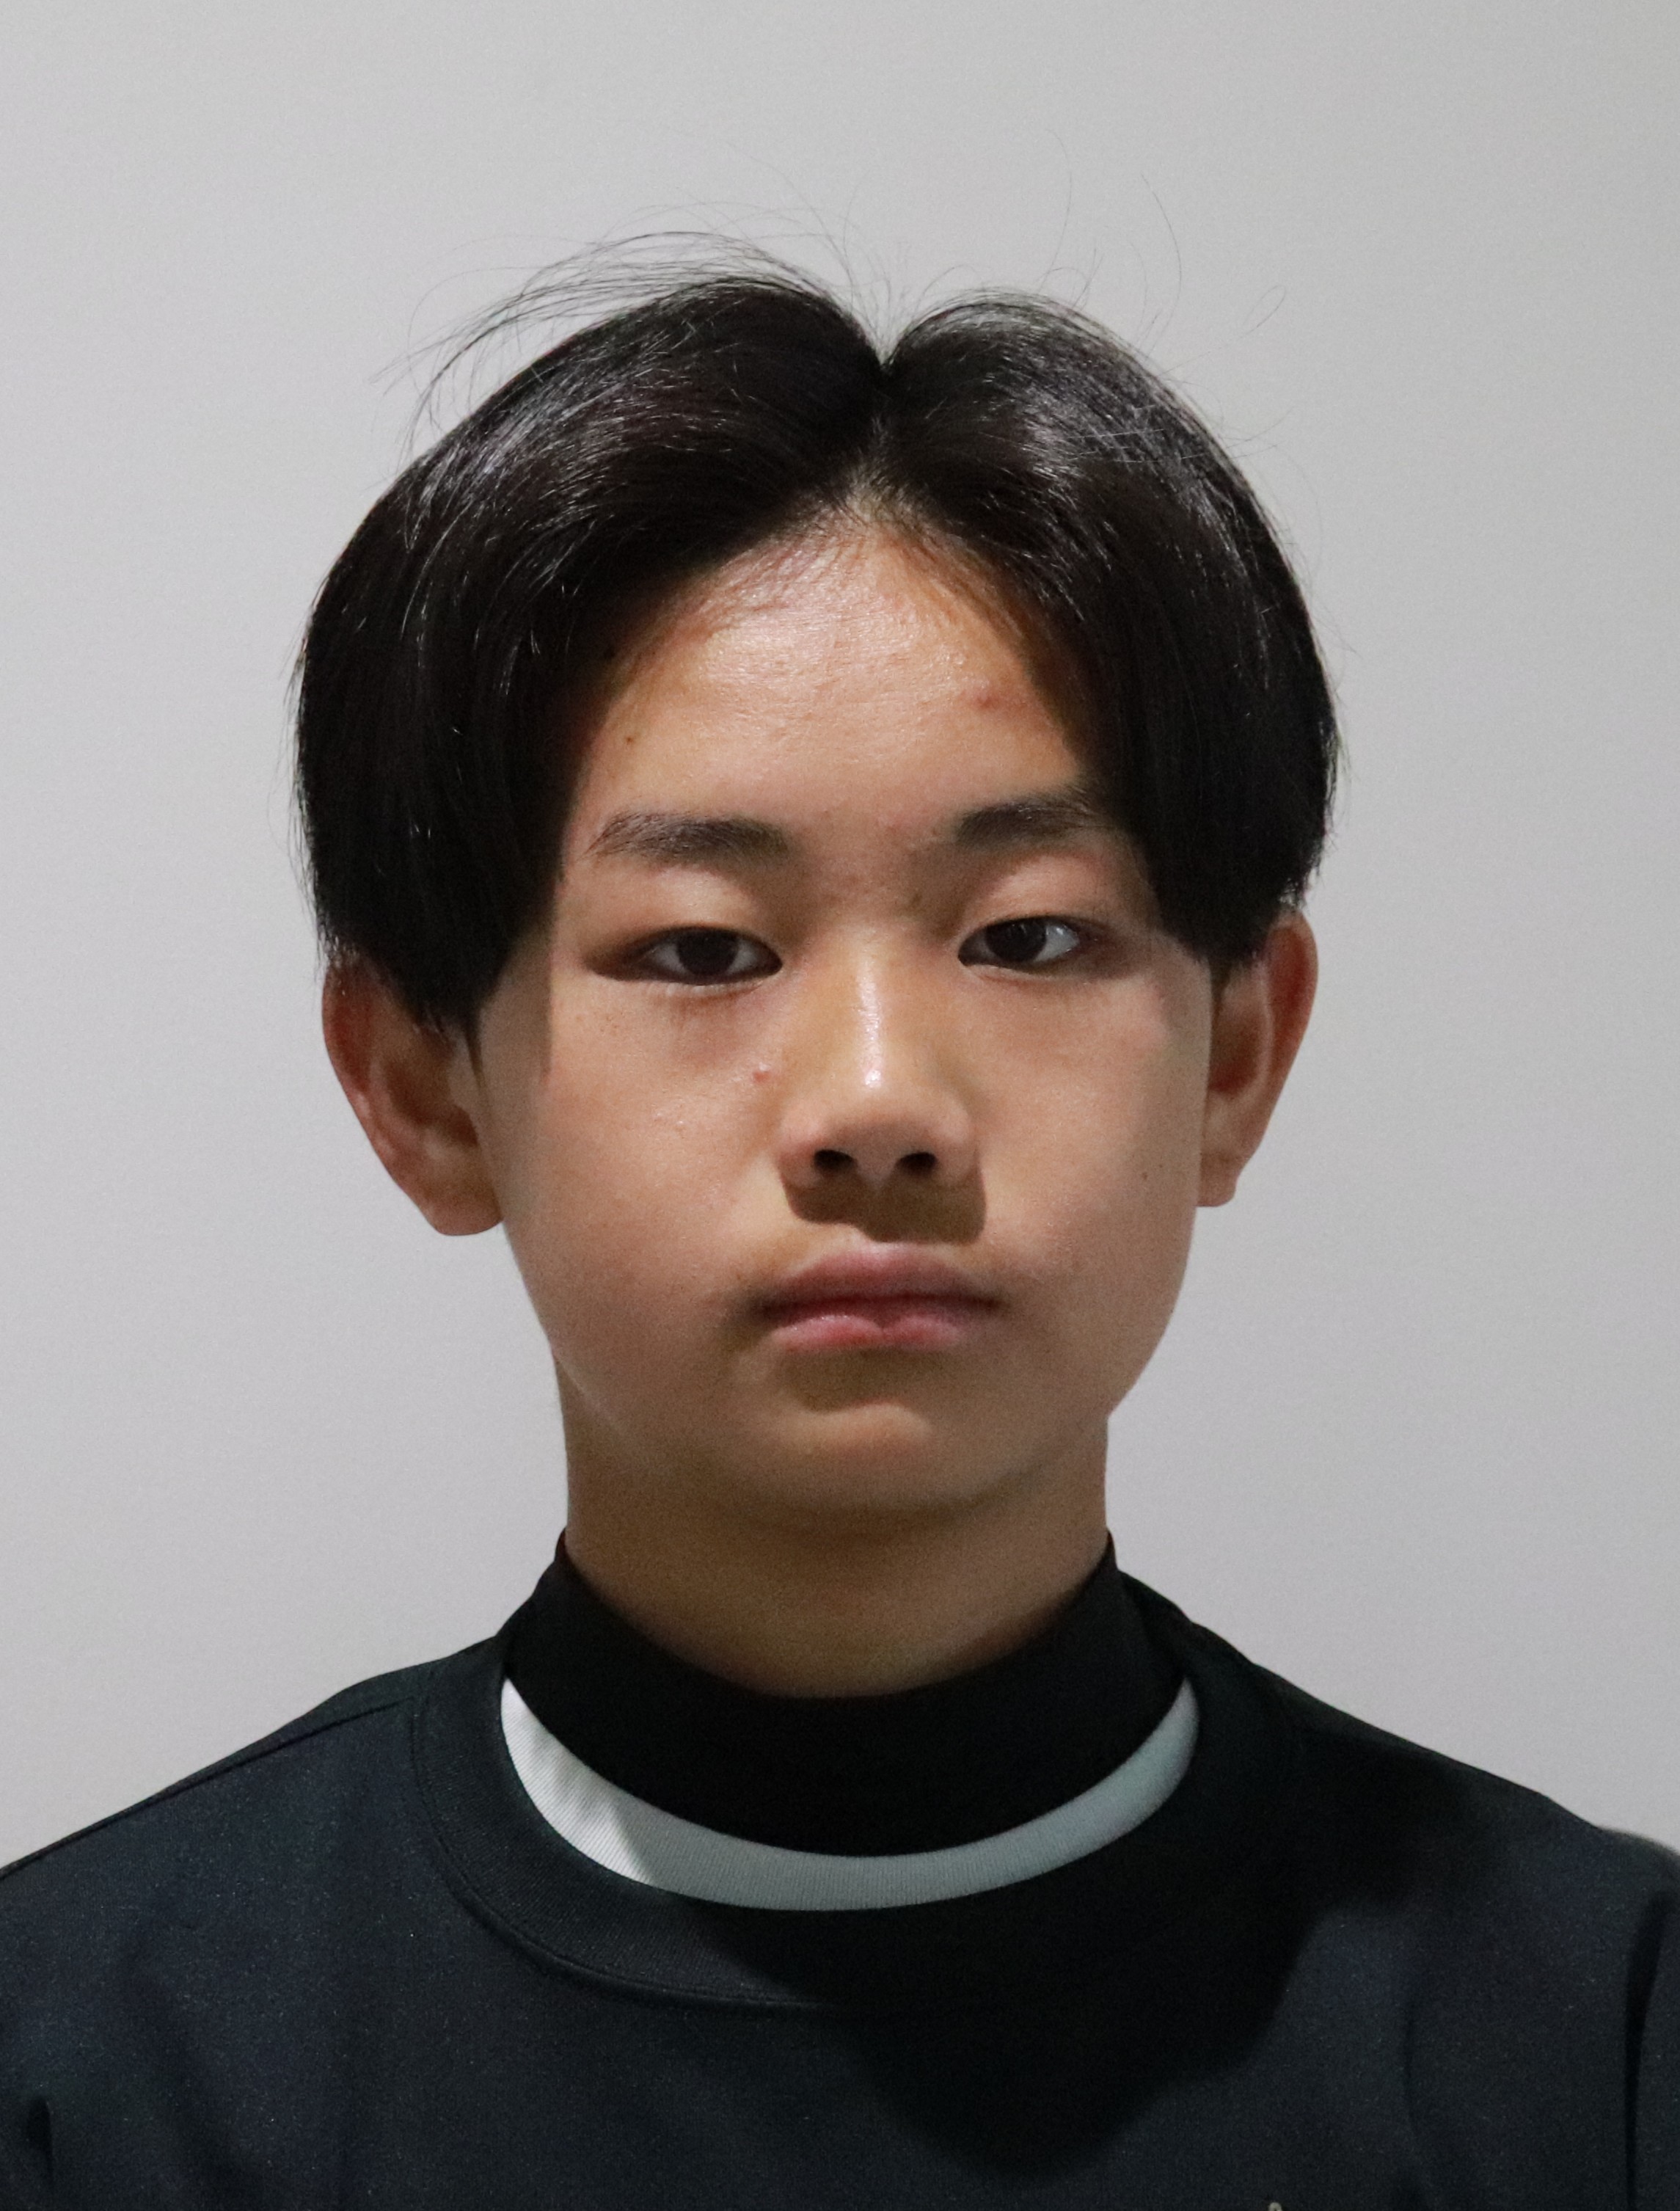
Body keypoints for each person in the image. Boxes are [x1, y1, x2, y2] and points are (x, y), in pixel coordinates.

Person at [1, 260, 1673, 2210]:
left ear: (1236, 1055)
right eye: (703, 952)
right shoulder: (90, 2076)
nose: (879, 1100)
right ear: (425, 1088)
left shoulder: (1606, 2059)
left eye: (1028, 935)